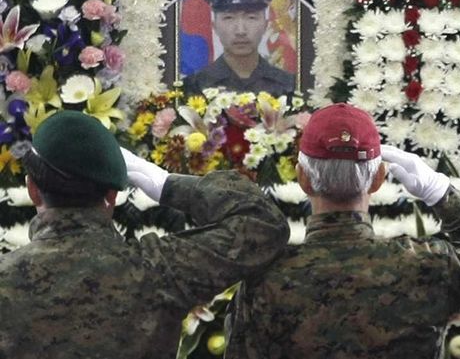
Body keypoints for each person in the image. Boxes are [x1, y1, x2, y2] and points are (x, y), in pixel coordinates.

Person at [225, 103, 460, 359]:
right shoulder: (429, 264)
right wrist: (441, 193)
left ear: (303, 179)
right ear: (377, 180)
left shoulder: (265, 280)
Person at [0, 110, 289, 358]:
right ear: (111, 195)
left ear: (32, 189)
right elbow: (263, 224)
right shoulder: (159, 269)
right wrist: (166, 184)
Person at [183, 0, 295, 96]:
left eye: (251, 17)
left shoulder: (290, 87)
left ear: (265, 25)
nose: (240, 31)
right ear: (215, 26)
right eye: (229, 18)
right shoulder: (191, 88)